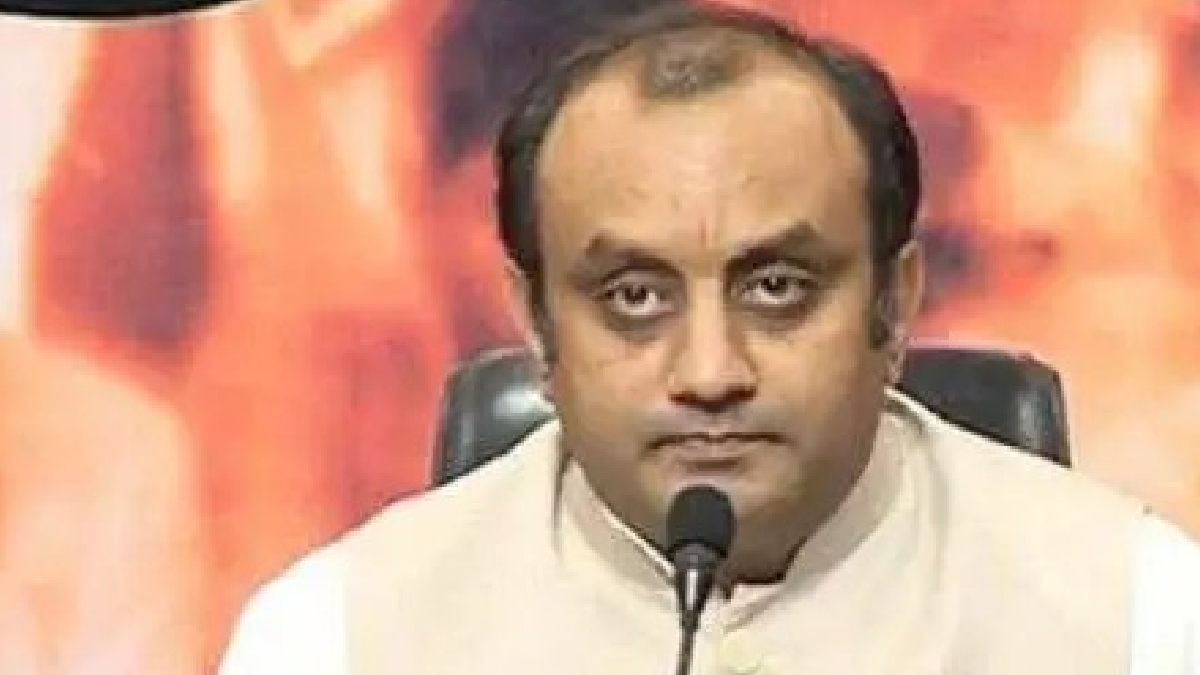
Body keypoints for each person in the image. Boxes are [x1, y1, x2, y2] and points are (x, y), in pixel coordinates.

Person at [217, 3, 1200, 673]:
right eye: (634, 297)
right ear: (537, 324)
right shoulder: (334, 640)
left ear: (895, 304)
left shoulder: (1143, 617)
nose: (711, 371)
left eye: (777, 287)